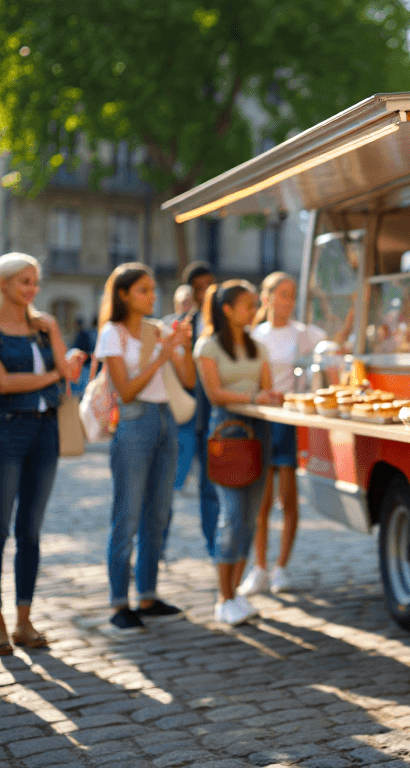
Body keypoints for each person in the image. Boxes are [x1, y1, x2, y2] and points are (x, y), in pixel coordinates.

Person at [0, 253, 85, 655]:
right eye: (24, 282)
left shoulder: (40, 329)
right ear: (3, 284)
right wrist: (54, 374)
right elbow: (3, 382)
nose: (33, 290)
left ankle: (24, 619)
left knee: (30, 531)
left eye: (36, 282)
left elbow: (68, 378)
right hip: (6, 432)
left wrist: (53, 332)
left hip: (46, 431)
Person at [94, 263, 197, 632]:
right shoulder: (113, 332)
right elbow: (126, 390)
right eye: (143, 290)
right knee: (128, 515)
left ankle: (148, 596)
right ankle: (120, 602)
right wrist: (162, 354)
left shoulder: (157, 329)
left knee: (159, 514)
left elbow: (187, 380)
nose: (153, 296)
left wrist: (182, 347)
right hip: (134, 422)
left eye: (153, 289)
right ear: (123, 294)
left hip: (166, 420)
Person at [194, 280, 281, 625]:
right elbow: (215, 394)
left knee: (250, 517)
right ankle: (223, 596)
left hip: (259, 432)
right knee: (231, 515)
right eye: (248, 304)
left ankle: (235, 594)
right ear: (227, 309)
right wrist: (253, 397)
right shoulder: (208, 346)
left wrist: (270, 397)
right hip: (227, 431)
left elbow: (267, 387)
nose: (254, 309)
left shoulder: (258, 346)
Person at [240, 272, 326, 595]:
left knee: (288, 497)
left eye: (292, 295)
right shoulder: (255, 335)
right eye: (282, 294)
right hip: (262, 420)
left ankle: (281, 567)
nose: (288, 301)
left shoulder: (302, 334)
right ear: (268, 297)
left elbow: (335, 344)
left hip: (288, 420)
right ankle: (259, 567)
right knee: (261, 503)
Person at [179, 262, 220, 555]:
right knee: (195, 485)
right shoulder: (184, 325)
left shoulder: (224, 325)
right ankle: (211, 544)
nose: (204, 292)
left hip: (218, 416)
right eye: (198, 288)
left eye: (208, 285)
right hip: (189, 417)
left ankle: (219, 544)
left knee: (218, 486)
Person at [164, 284, 198, 494]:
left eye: (189, 301)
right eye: (182, 301)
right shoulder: (166, 326)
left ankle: (179, 481)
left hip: (191, 390)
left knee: (187, 440)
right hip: (170, 390)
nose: (185, 305)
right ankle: (173, 481)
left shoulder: (200, 325)